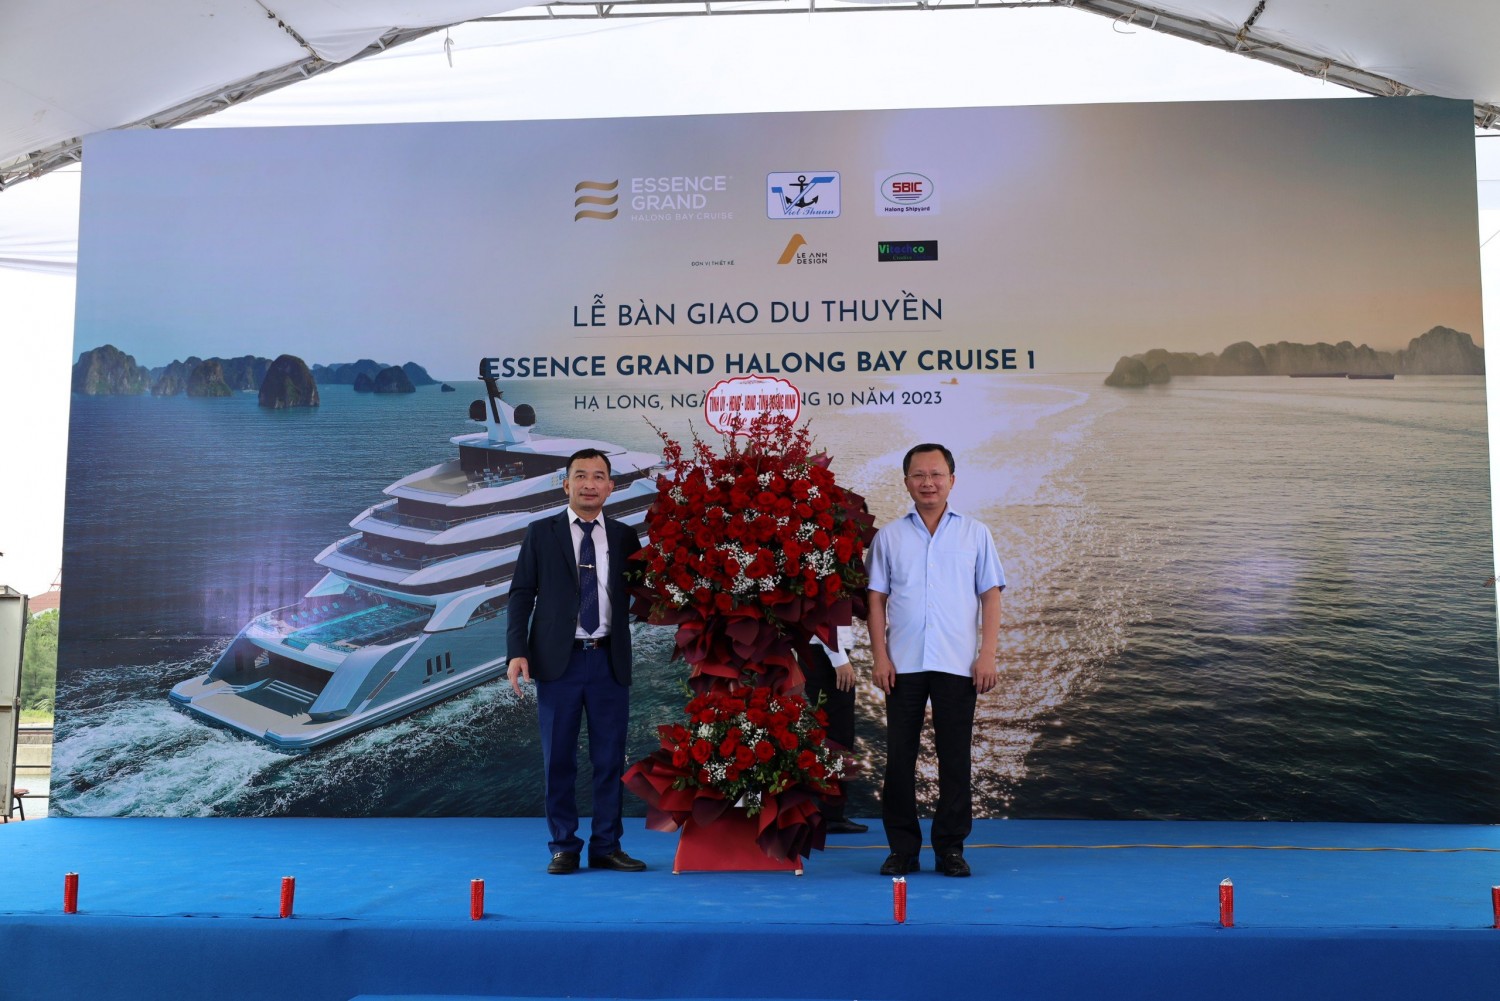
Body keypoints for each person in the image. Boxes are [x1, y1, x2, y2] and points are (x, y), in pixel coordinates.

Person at [866, 443, 1003, 878]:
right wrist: (879, 656)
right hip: (902, 664)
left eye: (937, 474)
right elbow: (876, 599)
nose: (928, 482)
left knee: (955, 758)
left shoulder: (975, 533)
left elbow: (990, 595)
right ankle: (902, 850)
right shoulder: (889, 537)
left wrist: (987, 655)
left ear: (952, 480)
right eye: (919, 475)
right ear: (906, 482)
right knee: (899, 760)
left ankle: (950, 849)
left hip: (958, 663)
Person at [507, 448, 646, 875]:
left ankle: (606, 845)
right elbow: (521, 594)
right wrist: (517, 651)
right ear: (566, 484)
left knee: (609, 760)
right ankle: (563, 846)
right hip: (558, 663)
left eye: (599, 476)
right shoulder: (540, 532)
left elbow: (643, 593)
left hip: (608, 661)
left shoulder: (624, 537)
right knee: (559, 760)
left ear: (611, 487)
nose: (590, 484)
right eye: (581, 476)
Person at [802, 631, 869, 834]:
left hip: (823, 652)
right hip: (827, 655)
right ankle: (830, 815)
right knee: (838, 737)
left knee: (833, 734)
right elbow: (824, 621)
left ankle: (827, 812)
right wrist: (839, 659)